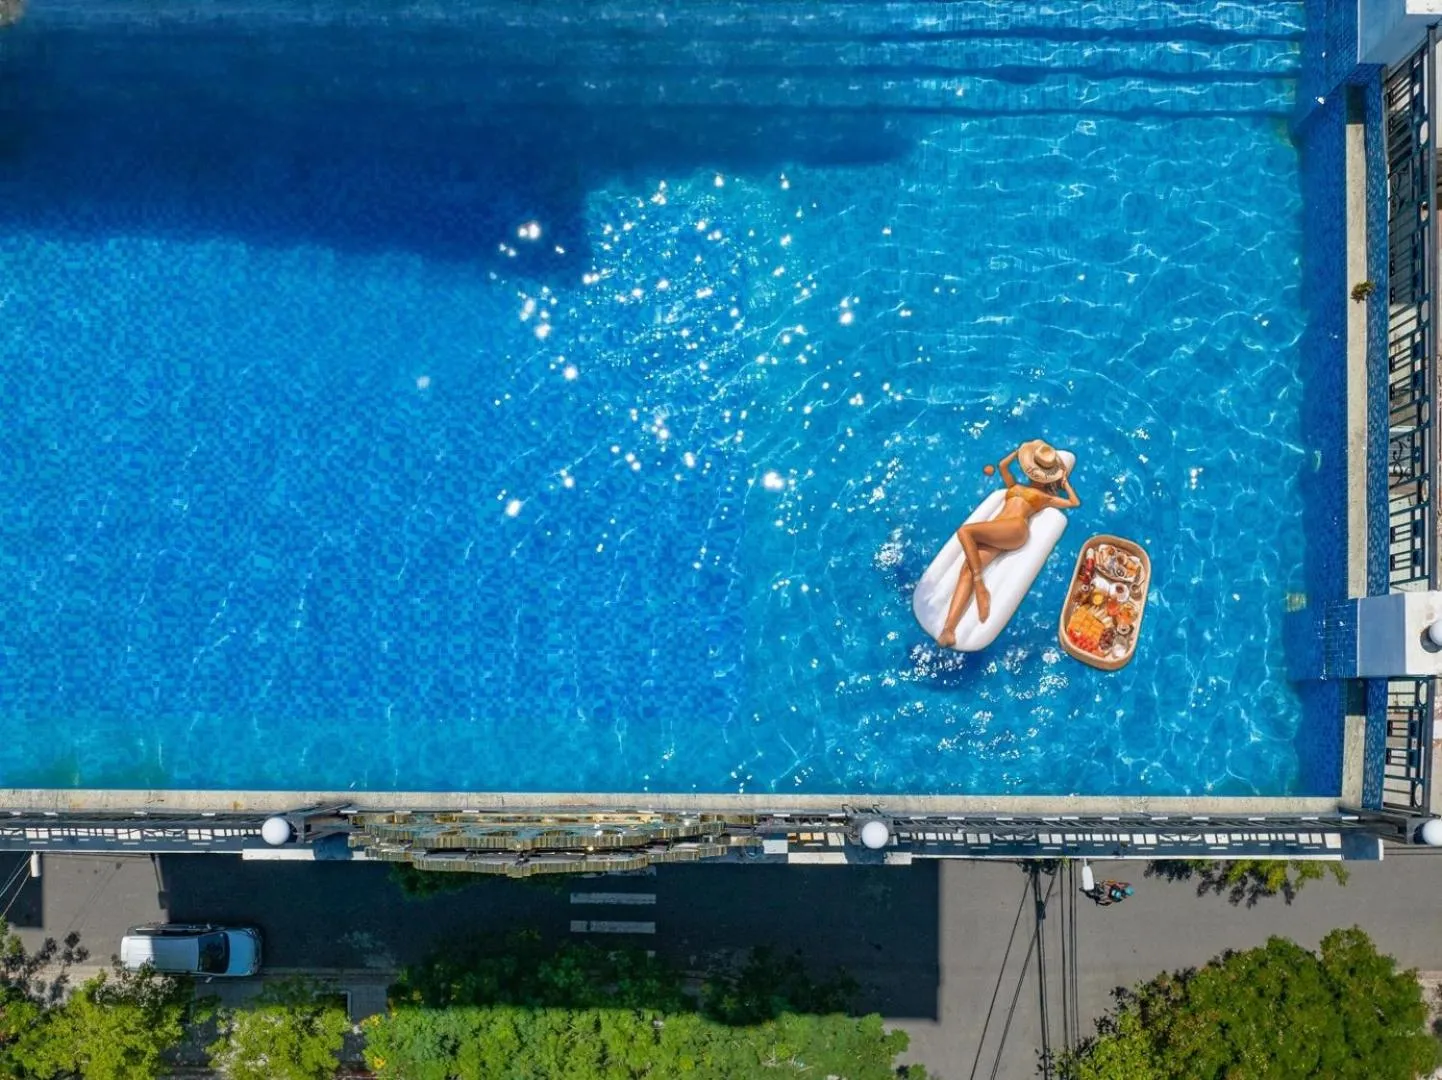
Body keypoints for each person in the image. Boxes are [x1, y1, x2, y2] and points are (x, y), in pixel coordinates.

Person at [935, 439, 1080, 647]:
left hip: (1015, 530)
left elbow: (1074, 503)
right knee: (966, 569)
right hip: (997, 532)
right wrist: (1019, 451)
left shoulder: (1044, 497)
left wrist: (1064, 482)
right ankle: (948, 630)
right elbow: (1002, 466)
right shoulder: (1015, 486)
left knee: (965, 531)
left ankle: (980, 586)